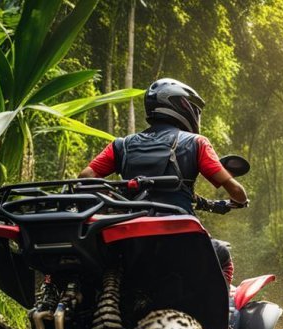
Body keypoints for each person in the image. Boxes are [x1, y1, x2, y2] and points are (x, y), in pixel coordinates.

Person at [79, 78, 246, 284]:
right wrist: (240, 199)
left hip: (129, 230)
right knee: (223, 256)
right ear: (183, 106)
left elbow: (85, 178)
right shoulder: (196, 143)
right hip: (179, 231)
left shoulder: (121, 145)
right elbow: (235, 189)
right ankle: (220, 314)